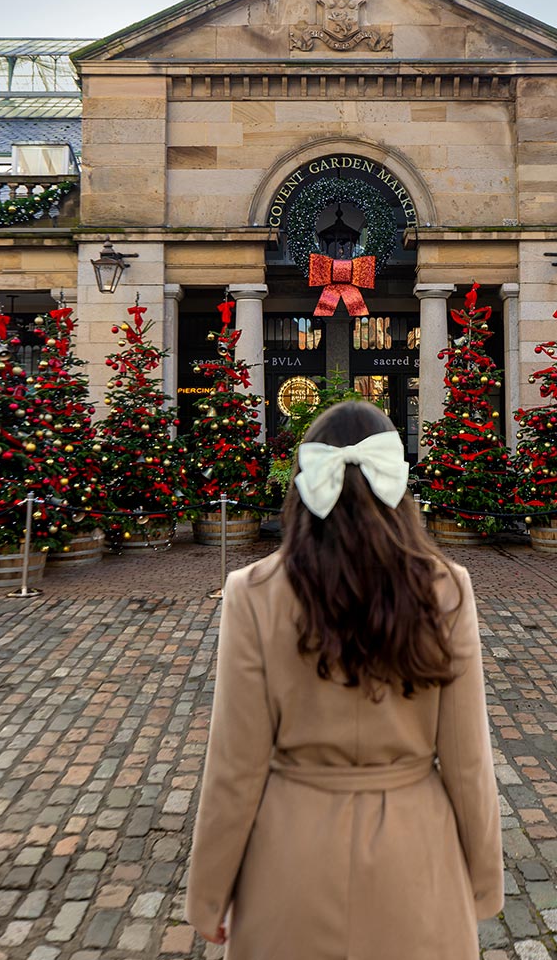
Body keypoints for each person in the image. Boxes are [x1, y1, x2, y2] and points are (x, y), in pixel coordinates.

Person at [186, 400, 503, 959]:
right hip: (416, 856)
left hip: (290, 857)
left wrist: (209, 895)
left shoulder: (254, 591)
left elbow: (235, 765)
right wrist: (481, 879)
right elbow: (468, 760)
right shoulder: (448, 587)